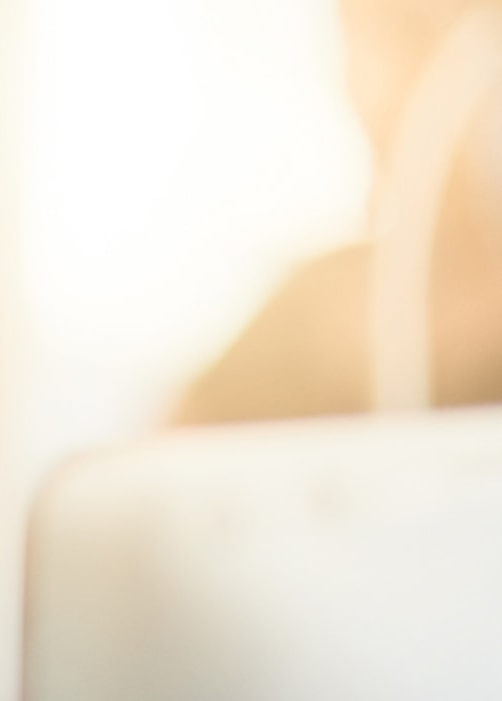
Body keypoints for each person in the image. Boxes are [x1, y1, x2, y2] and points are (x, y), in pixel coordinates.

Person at [180, 0, 502, 422]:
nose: (382, 88)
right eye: (360, 37)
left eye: (413, 31)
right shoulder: (302, 322)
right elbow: (143, 479)